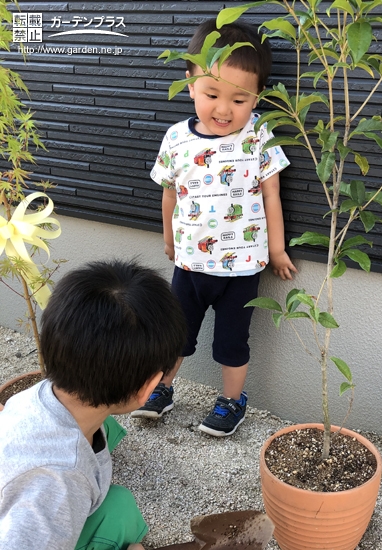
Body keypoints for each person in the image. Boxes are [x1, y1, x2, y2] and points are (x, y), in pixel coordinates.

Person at [131, 19, 297, 436]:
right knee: (175, 335)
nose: (224, 109)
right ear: (190, 83)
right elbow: (170, 194)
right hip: (189, 263)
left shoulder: (259, 134)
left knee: (231, 342)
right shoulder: (176, 139)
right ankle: (162, 388)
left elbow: (271, 194)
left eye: (240, 99)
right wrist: (168, 240)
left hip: (242, 267)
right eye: (211, 94)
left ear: (258, 95)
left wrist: (276, 250)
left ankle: (231, 402)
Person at [0, 259, 186, 550]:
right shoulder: (59, 481)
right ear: (148, 388)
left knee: (116, 496)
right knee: (120, 512)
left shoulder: (36, 395)